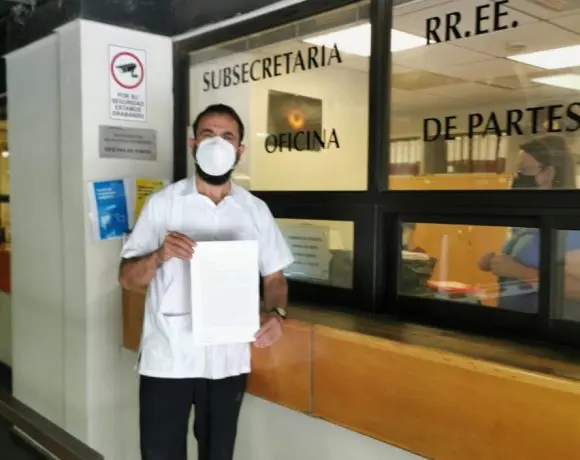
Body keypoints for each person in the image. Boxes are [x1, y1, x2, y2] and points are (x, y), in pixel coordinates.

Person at [118, 104, 294, 460]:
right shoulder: (162, 205)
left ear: (240, 150)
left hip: (227, 359)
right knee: (160, 453)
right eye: (208, 135)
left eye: (227, 137)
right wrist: (159, 255)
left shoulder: (255, 210)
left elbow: (275, 277)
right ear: (193, 144)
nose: (217, 144)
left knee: (218, 453)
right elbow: (126, 277)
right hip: (169, 357)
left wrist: (276, 313)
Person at [478, 135, 580, 313]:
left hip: (544, 326)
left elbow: (576, 289)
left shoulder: (571, 224)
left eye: (524, 170)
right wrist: (494, 262)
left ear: (548, 173)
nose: (517, 177)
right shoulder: (532, 217)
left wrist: (519, 271)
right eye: (518, 170)